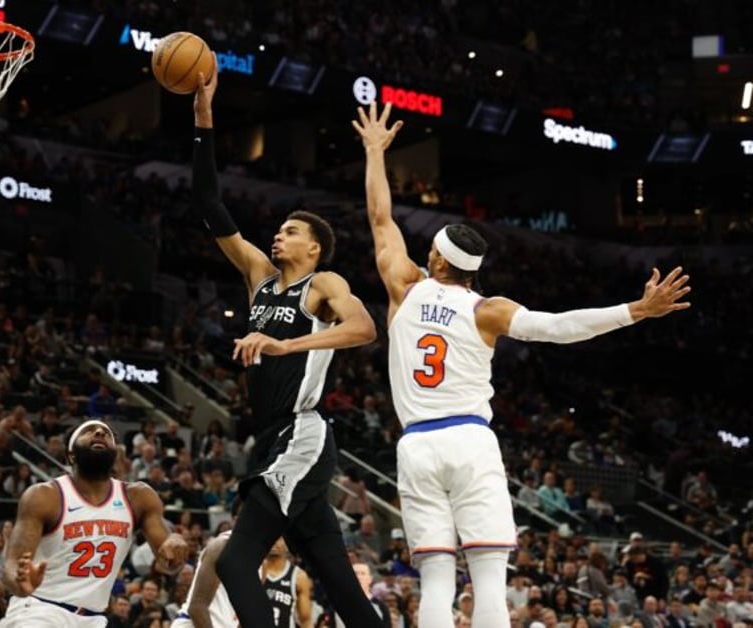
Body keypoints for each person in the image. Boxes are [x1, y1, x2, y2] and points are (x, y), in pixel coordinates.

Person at [352, 101, 692, 628]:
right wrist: (636, 310)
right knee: (490, 575)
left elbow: (379, 217)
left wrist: (375, 152)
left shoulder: (403, 284)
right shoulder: (489, 310)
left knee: (437, 579)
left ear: (438, 260)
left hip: (416, 444)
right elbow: (560, 328)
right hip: (469, 440)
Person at [192, 66, 382, 628]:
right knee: (343, 589)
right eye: (278, 229)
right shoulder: (257, 275)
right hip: (272, 437)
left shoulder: (322, 286)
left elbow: (366, 328)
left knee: (236, 560)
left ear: (315, 248)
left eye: (292, 232)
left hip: (302, 432)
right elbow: (209, 203)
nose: (278, 235)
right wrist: (203, 115)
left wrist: (286, 345)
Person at [0, 419, 189, 627]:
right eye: (89, 431)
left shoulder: (138, 497)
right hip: (40, 609)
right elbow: (11, 564)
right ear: (71, 455)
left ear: (115, 455)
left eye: (106, 433)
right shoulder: (45, 496)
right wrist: (19, 581)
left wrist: (176, 544)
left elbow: (169, 562)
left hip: (93, 618)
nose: (99, 432)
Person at [261, 537, 313, 628]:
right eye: (272, 537)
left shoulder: (299, 577)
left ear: (287, 543)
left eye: (279, 538)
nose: (274, 542)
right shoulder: (253, 571)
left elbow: (306, 621)